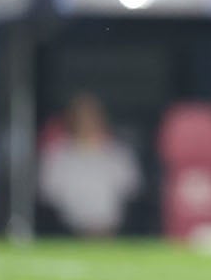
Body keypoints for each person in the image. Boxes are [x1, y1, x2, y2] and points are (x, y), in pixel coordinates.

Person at [38, 93, 143, 237]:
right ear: (72, 120)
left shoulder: (119, 154)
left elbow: (131, 189)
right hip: (68, 232)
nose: (87, 122)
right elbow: (49, 193)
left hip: (111, 231)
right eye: (82, 117)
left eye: (92, 116)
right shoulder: (57, 155)